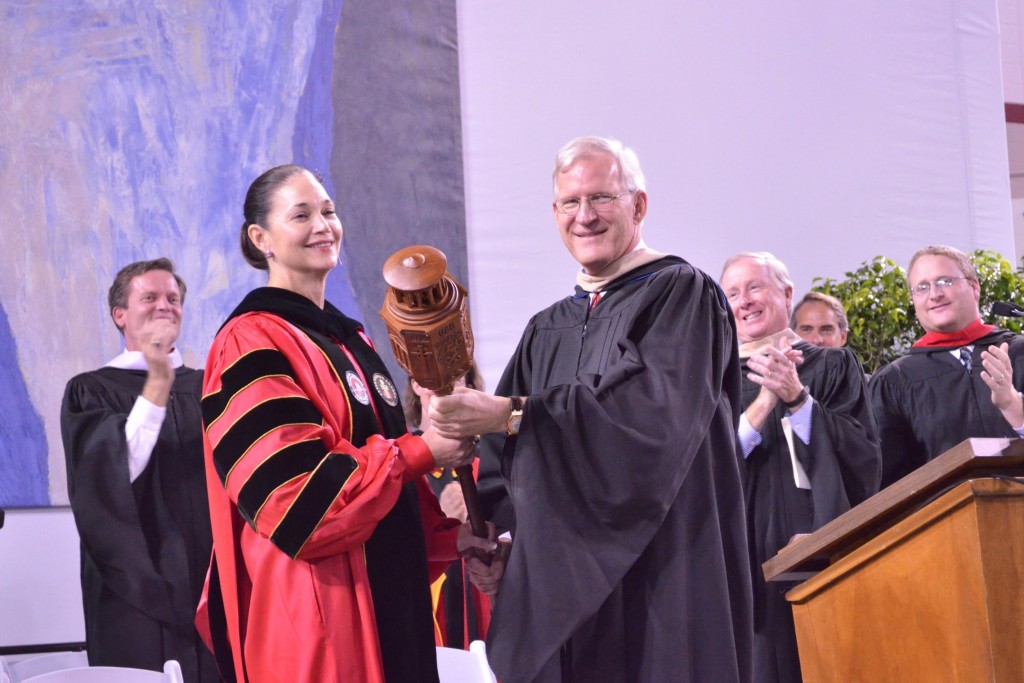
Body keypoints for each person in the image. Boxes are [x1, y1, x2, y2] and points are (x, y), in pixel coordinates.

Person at [429, 136, 754, 683]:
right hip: (564, 585)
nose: (585, 217)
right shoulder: (545, 328)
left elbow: (648, 418)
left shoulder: (681, 294)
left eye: (601, 198)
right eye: (569, 203)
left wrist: (511, 414)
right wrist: (501, 539)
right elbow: (505, 459)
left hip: (665, 566)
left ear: (638, 206)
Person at [197, 164, 495, 683]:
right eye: (301, 215)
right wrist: (422, 450)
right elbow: (295, 500)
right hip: (316, 619)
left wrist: (450, 537)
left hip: (384, 605)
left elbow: (390, 492)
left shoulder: (352, 342)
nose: (323, 225)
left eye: (329, 211)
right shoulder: (250, 342)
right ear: (260, 237)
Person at [720, 251, 881, 683]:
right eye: (733, 292)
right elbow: (705, 468)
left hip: (811, 536)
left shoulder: (831, 365)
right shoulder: (710, 378)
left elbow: (863, 457)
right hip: (739, 547)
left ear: (786, 293)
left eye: (755, 287)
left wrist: (799, 400)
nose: (745, 301)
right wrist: (766, 402)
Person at [60, 258, 218, 681]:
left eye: (173, 298)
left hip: (211, 580)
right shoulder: (91, 390)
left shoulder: (210, 386)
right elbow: (109, 481)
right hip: (135, 587)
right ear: (120, 315)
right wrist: (157, 382)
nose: (164, 305)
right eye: (149, 297)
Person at [869, 245, 1024, 488]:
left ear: (974, 287)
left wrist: (1012, 405)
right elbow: (889, 484)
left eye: (944, 281)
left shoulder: (1018, 353)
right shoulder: (895, 382)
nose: (934, 294)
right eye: (922, 287)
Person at [403, 364, 492, 649]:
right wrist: (441, 525)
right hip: (430, 613)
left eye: (455, 376)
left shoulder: (490, 459)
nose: (444, 386)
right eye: (431, 376)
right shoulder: (402, 464)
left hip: (485, 607)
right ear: (415, 384)